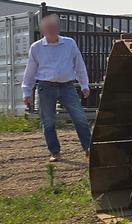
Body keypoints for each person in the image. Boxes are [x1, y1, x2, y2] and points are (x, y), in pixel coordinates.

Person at [21, 14, 93, 162]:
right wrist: (26, 91)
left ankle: (89, 148)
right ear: (43, 31)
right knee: (48, 122)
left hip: (67, 86)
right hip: (45, 87)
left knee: (80, 118)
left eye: (54, 27)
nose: (52, 30)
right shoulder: (36, 48)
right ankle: (55, 152)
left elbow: (79, 66)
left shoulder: (70, 44)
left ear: (58, 28)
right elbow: (30, 72)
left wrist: (84, 84)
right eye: (48, 28)